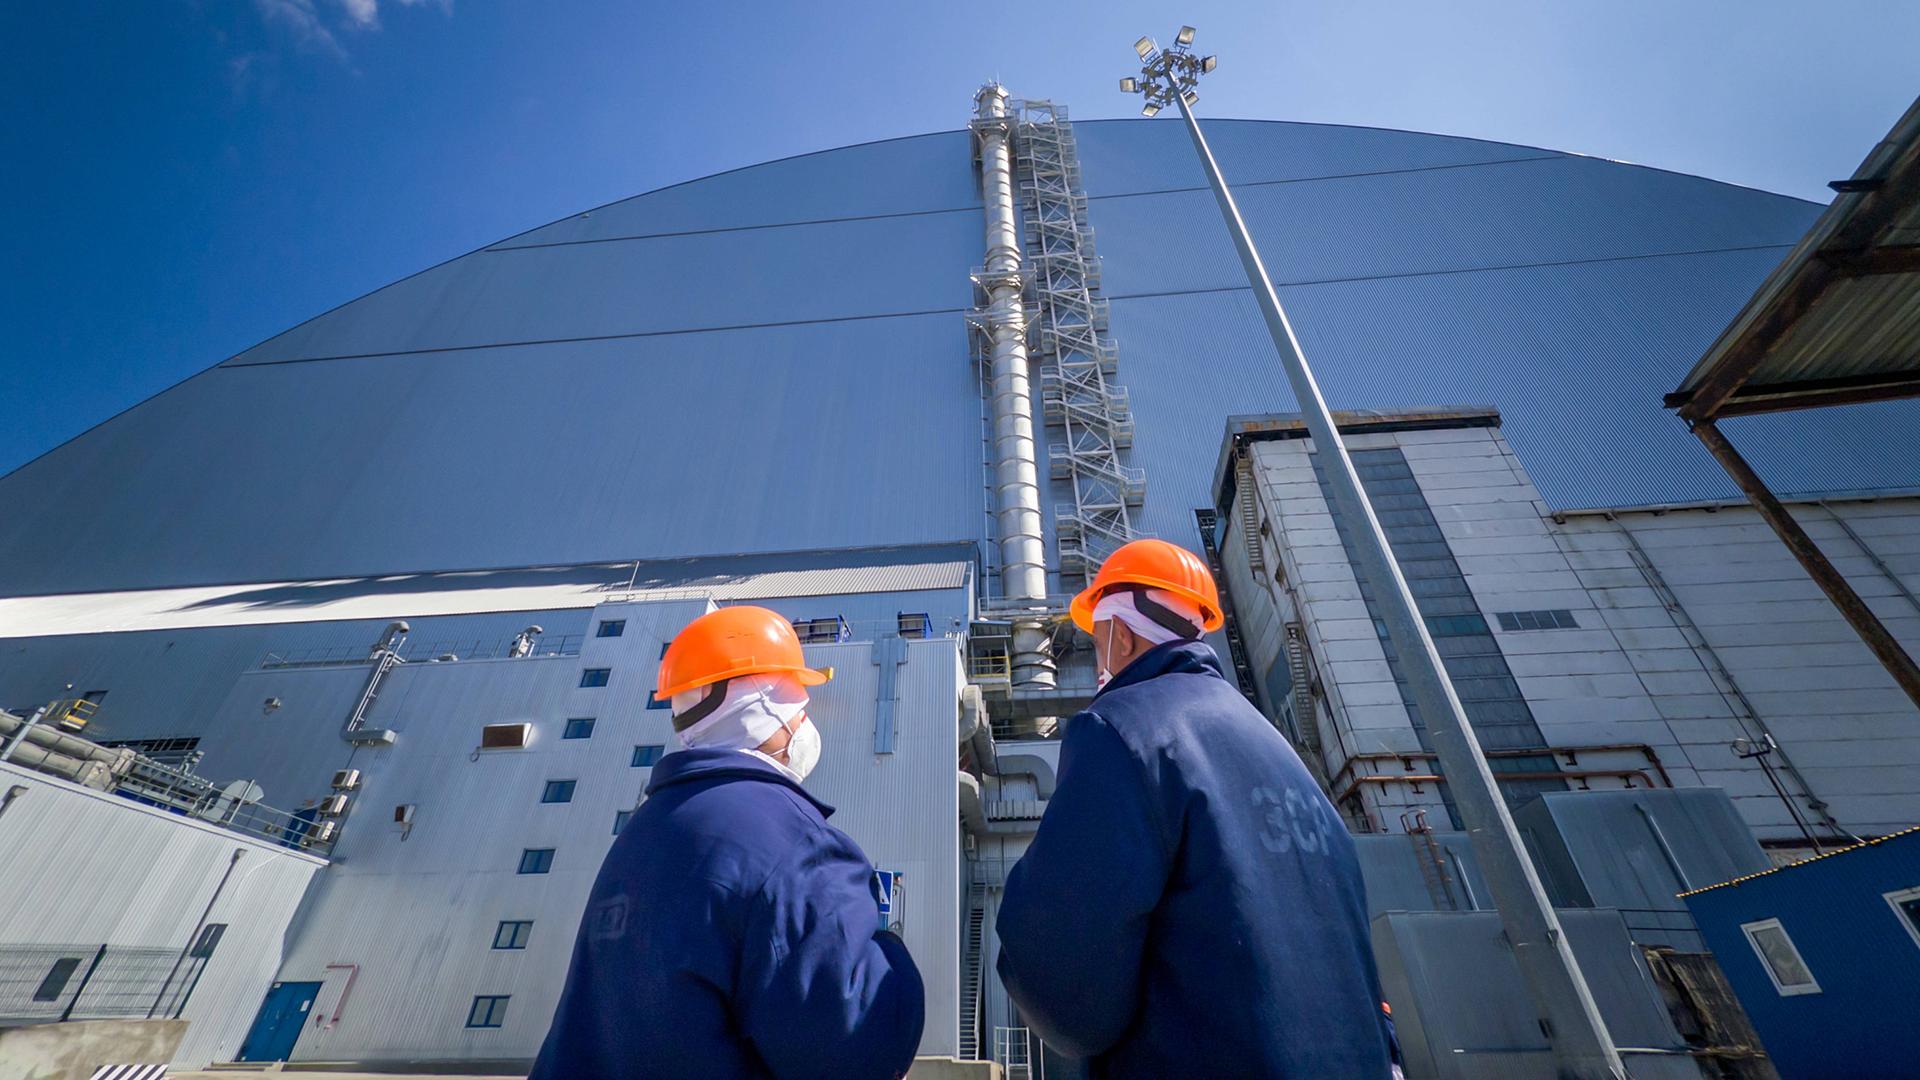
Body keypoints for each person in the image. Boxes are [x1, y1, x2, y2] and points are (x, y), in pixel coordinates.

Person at [995, 539, 1393, 1078]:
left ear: (1119, 632)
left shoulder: (1122, 729)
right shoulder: (1284, 757)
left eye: (1096, 639)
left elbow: (1064, 991)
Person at [530, 605, 925, 1080]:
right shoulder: (794, 843)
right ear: (767, 708)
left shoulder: (644, 831)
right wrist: (889, 947)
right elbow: (859, 1046)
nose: (804, 725)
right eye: (799, 708)